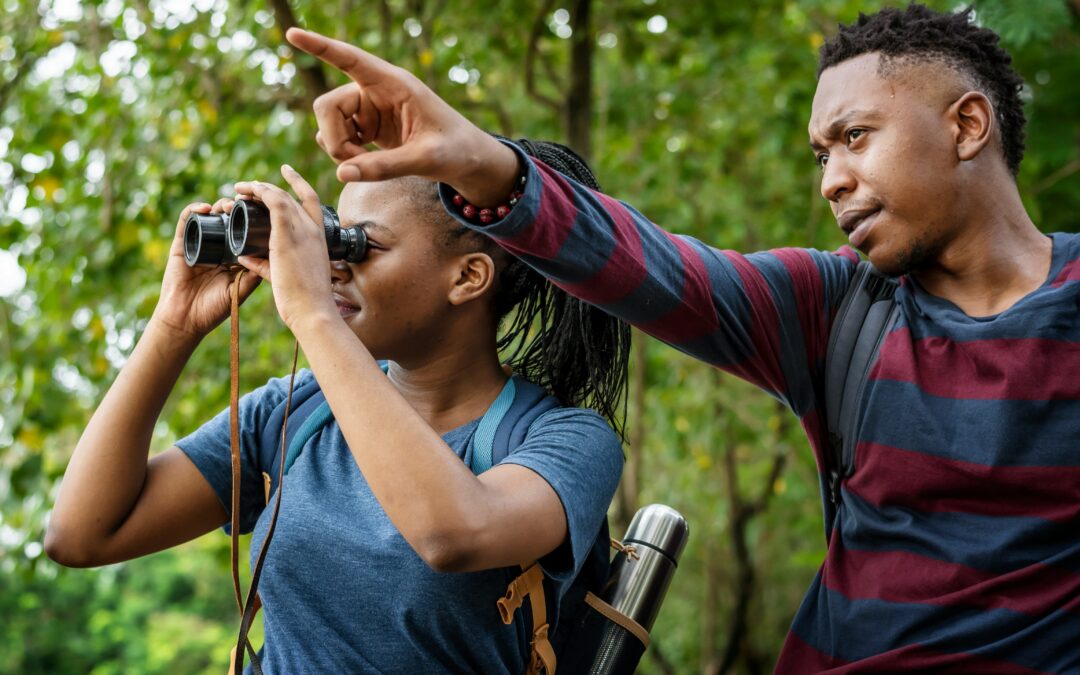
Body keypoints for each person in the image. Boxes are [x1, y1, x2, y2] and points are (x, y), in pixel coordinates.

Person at [281, 4, 1080, 672]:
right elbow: (654, 268)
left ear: (967, 125)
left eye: (856, 136)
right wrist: (481, 164)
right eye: (820, 153)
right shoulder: (837, 309)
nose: (830, 179)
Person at [44, 140, 631, 672]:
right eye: (328, 237)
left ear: (468, 277)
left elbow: (453, 534)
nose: (329, 266)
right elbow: (82, 535)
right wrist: (175, 323)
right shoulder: (292, 415)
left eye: (360, 245)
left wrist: (313, 314)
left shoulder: (567, 441)